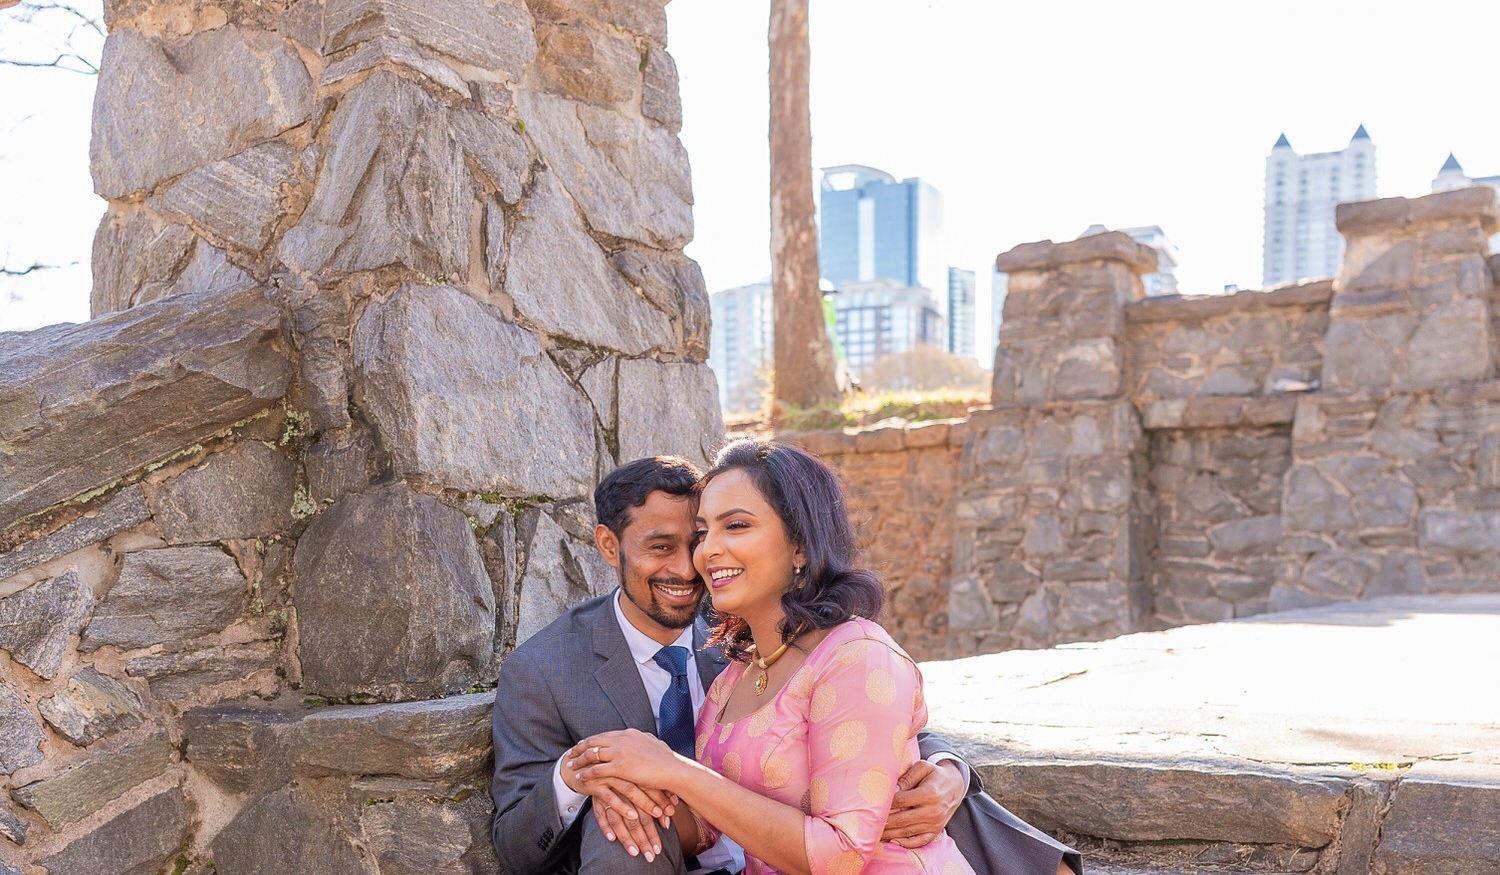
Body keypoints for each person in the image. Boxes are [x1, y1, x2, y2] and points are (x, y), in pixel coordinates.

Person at [565, 441, 1082, 875]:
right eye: (704, 532)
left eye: (736, 525)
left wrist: (676, 772)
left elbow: (841, 853)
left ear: (800, 546)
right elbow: (709, 822)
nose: (705, 552)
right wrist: (621, 786)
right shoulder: (736, 676)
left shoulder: (857, 657)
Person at [489, 455, 974, 874]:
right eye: (663, 547)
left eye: (719, 531)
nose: (691, 566)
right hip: (661, 862)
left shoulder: (758, 626)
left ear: (799, 545)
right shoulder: (548, 669)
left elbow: (870, 717)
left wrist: (950, 769)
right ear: (609, 546)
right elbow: (518, 846)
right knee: (620, 822)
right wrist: (593, 780)